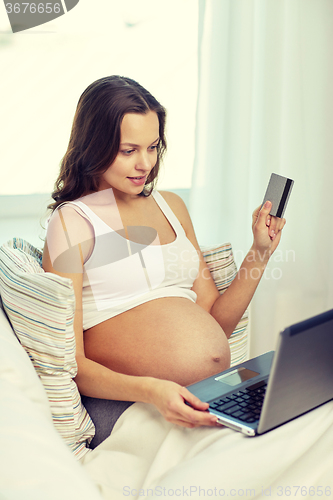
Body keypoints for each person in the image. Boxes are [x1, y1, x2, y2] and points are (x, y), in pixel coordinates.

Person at [42, 75, 286, 448]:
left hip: (201, 393)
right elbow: (71, 364)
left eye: (153, 147)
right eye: (128, 150)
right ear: (95, 145)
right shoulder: (72, 222)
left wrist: (260, 253)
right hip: (132, 402)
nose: (144, 164)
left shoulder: (171, 206)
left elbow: (215, 323)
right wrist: (154, 391)